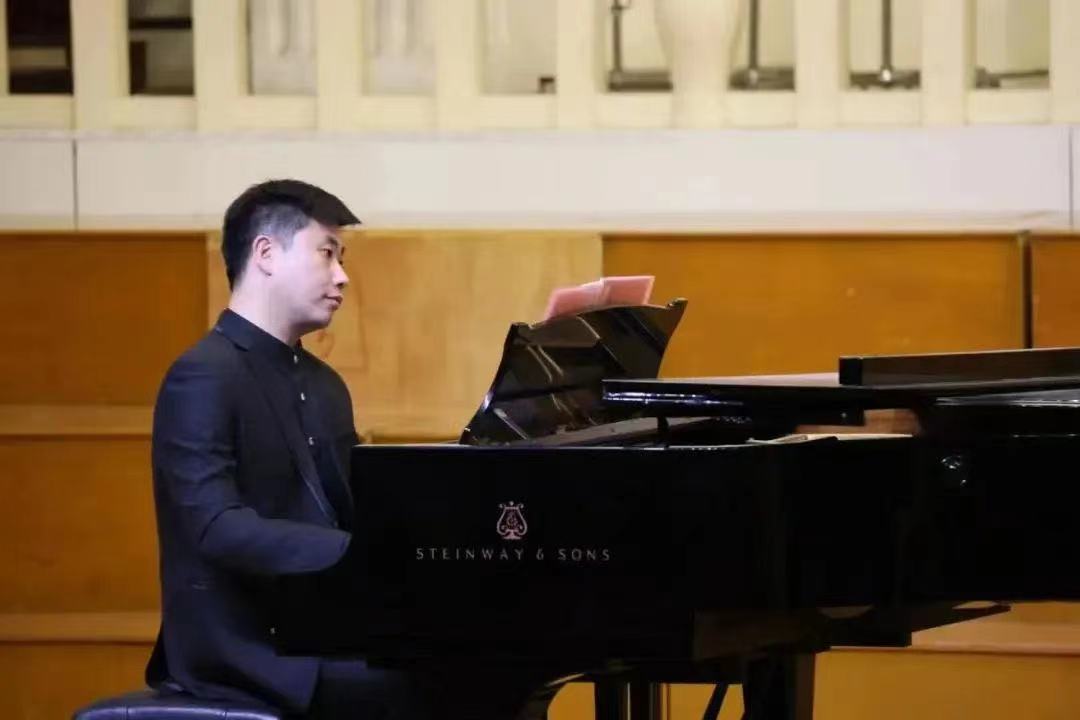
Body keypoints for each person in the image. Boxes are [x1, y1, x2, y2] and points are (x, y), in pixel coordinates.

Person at [146, 179, 423, 718]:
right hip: (245, 647)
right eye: (327, 253)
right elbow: (214, 527)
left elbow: (358, 509)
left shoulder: (324, 384)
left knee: (477, 667)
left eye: (342, 258)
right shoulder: (202, 374)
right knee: (437, 685)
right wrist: (355, 552)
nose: (342, 275)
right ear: (266, 253)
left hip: (321, 627)